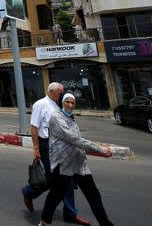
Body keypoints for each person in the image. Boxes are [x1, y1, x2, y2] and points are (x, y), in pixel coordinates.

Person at [39, 94, 114, 226]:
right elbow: (73, 139)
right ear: (62, 103)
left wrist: (93, 150)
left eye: (73, 103)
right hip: (63, 164)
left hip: (79, 164)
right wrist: (100, 149)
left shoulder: (71, 119)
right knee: (57, 194)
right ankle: (45, 221)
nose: (70, 105)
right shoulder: (56, 117)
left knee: (93, 195)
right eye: (67, 102)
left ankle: (105, 223)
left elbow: (78, 141)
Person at [22, 82, 90, 226]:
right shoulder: (40, 104)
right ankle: (29, 192)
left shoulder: (59, 106)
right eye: (60, 93)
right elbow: (34, 127)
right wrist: (36, 149)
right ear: (52, 92)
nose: (62, 95)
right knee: (54, 181)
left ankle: (70, 213)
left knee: (67, 180)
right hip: (47, 146)